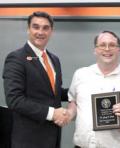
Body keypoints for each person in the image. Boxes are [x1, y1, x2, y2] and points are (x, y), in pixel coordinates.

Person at [2, 11, 70, 148]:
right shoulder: (16, 58)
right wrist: (52, 113)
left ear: (51, 31)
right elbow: (14, 100)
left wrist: (80, 91)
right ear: (28, 29)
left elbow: (53, 93)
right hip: (28, 140)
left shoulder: (54, 59)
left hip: (53, 137)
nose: (40, 32)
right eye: (36, 27)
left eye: (45, 28)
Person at [66, 30, 120, 148]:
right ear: (95, 50)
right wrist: (68, 114)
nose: (107, 49)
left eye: (112, 45)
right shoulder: (80, 75)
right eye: (102, 45)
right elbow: (73, 101)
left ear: (119, 50)